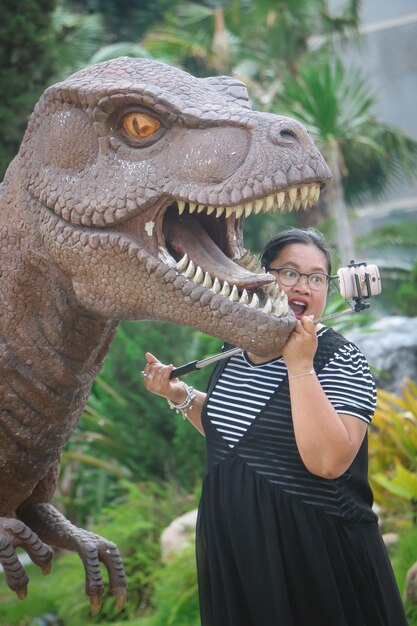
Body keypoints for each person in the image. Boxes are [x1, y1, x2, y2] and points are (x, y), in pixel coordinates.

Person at [141, 227, 408, 626]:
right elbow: (239, 437)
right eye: (290, 273)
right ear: (263, 279)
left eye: (317, 277)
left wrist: (300, 365)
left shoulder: (341, 360)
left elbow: (329, 462)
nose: (304, 285)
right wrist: (180, 396)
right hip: (237, 546)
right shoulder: (232, 353)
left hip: (313, 552)